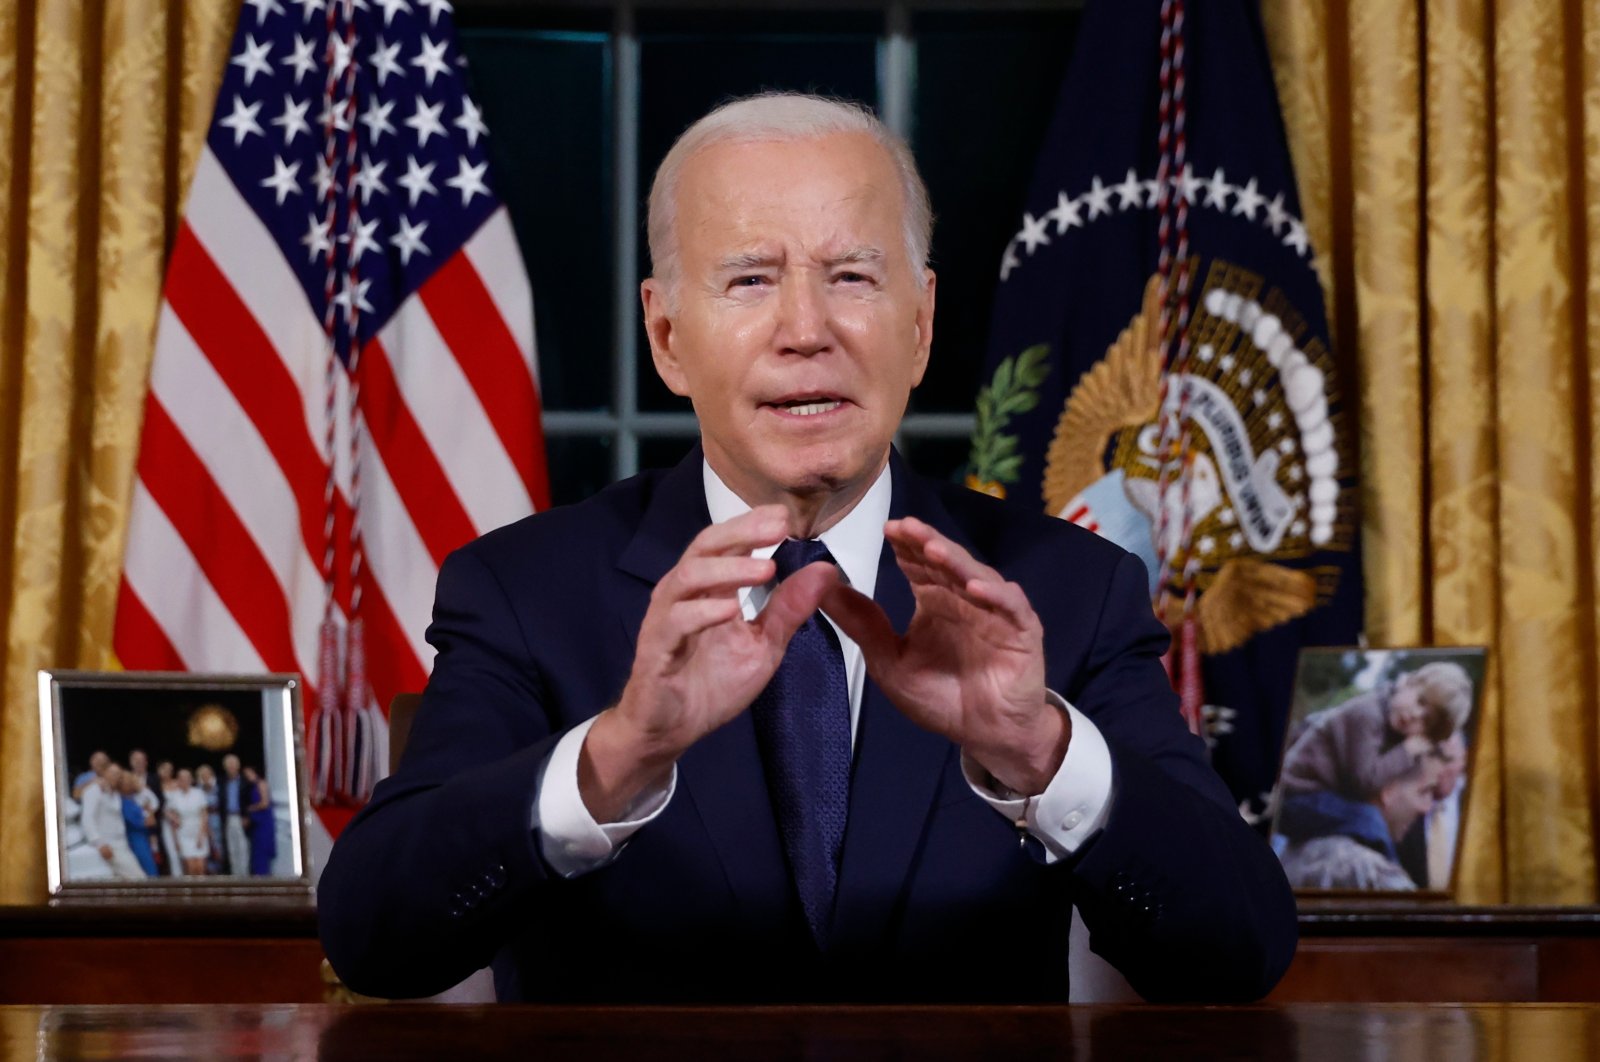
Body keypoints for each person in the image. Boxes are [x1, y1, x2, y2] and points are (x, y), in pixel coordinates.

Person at [318, 92, 1297, 1005]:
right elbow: (375, 939)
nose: (805, 329)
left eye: (851, 278)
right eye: (750, 280)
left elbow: (1239, 950)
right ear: (666, 335)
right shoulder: (526, 591)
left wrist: (1036, 751)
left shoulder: (1066, 589)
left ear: (918, 327)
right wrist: (620, 755)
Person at [1278, 662, 1473, 803]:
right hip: (1297, 788)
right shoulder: (1368, 713)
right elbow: (1364, 782)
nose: (1415, 714)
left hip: (1320, 792)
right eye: (1420, 700)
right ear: (1407, 683)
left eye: (1426, 720)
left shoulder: (1394, 728)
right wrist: (1408, 749)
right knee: (1366, 820)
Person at [1278, 756, 1443, 891]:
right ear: (1389, 790)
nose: (1426, 808)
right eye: (1424, 791)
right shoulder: (1370, 874)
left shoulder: (1293, 852)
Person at [79, 764, 147, 881]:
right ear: (105, 773)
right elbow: (87, 818)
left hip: (121, 843)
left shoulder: (115, 793)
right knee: (139, 878)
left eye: (118, 775)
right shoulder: (94, 790)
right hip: (108, 844)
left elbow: (139, 792)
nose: (116, 777)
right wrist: (99, 843)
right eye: (113, 773)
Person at [168, 768, 212, 876]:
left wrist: (201, 836)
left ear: (191, 779)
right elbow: (171, 817)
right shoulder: (175, 796)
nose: (184, 781)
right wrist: (175, 840)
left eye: (186, 778)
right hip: (183, 834)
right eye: (181, 778)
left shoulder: (199, 793)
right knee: (190, 867)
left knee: (200, 867)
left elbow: (204, 816)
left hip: (198, 832)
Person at [119, 771, 160, 878]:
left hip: (143, 838)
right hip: (135, 840)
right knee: (149, 870)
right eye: (127, 781)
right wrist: (150, 812)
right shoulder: (124, 802)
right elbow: (150, 822)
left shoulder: (133, 798)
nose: (131, 782)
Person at [242, 766, 277, 876]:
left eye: (249, 773)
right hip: (256, 823)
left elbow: (264, 803)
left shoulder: (261, 784)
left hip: (264, 821)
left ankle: (264, 876)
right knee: (256, 851)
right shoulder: (250, 786)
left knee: (262, 849)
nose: (248, 776)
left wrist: (250, 808)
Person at [220, 754, 249, 876]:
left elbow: (249, 800)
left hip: (241, 817)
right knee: (231, 849)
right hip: (228, 818)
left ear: (238, 766)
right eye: (228, 766)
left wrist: (247, 816)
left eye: (233, 765)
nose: (231, 767)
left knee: (243, 848)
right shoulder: (223, 782)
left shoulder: (245, 781)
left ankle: (244, 876)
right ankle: (235, 876)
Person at [196, 763, 224, 874]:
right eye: (202, 774)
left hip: (217, 819)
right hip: (202, 820)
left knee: (218, 845)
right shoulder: (198, 789)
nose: (205, 776)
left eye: (207, 774)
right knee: (206, 845)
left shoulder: (218, 786)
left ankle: (220, 871)